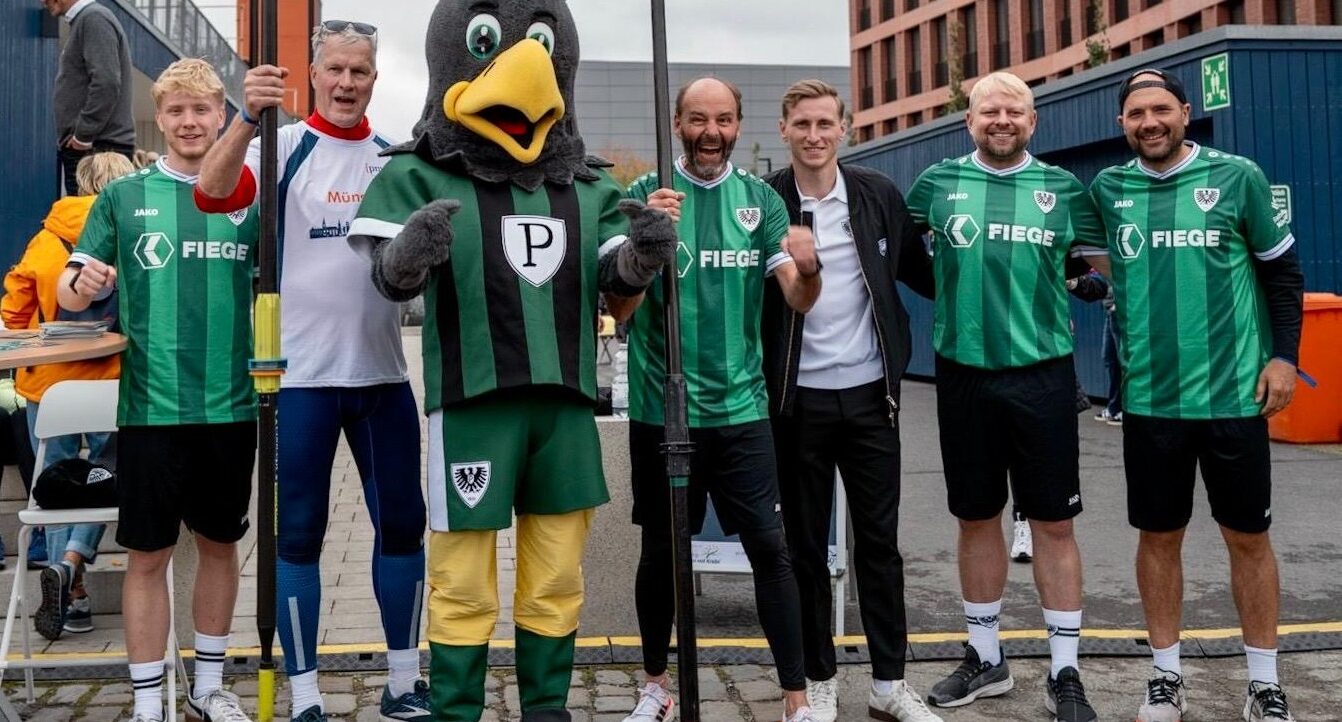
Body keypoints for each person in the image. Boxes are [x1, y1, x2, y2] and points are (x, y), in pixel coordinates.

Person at [348, 3, 677, 718]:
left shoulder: (588, 186)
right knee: (463, 576)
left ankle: (546, 705)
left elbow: (612, 276)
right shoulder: (419, 175)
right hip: (472, 404)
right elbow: (386, 279)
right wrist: (408, 253)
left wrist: (645, 256)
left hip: (564, 407)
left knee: (557, 575)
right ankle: (457, 706)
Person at [196, 20, 429, 722]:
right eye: (336, 70)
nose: (348, 83)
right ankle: (303, 694)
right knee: (297, 534)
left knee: (405, 528)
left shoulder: (396, 160)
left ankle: (401, 683)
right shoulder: (281, 148)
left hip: (382, 378)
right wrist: (245, 116)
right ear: (315, 74)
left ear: (375, 79)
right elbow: (210, 192)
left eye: (360, 71)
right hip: (298, 383)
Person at [1091, 68, 1304, 722]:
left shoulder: (1237, 176)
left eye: (1160, 109)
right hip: (1151, 402)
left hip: (1234, 396)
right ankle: (1164, 677)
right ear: (1123, 123)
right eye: (1136, 114)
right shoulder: (1108, 188)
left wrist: (1285, 358)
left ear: (1186, 112)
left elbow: (1283, 274)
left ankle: (1264, 682)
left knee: (1248, 539)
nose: (1149, 122)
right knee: (1160, 539)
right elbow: (1093, 268)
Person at [610, 76, 822, 722]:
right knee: (659, 555)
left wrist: (810, 267)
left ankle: (796, 700)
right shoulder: (643, 196)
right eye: (698, 119)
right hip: (660, 411)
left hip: (741, 413)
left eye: (723, 119)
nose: (711, 132)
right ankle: (654, 687)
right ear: (677, 123)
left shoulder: (761, 201)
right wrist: (647, 248)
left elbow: (796, 299)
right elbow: (618, 311)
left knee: (769, 547)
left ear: (738, 124)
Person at [57, 58, 259, 722]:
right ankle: (150, 704)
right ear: (161, 117)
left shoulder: (249, 195)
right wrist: (81, 286)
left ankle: (207, 686)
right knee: (148, 554)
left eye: (203, 109)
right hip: (149, 409)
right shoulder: (124, 197)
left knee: (220, 547)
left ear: (222, 113)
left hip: (229, 405)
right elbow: (69, 285)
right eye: (176, 110)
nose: (190, 121)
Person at [903, 71, 1107, 722]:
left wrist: (1079, 279)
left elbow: (1092, 262)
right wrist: (953, 298)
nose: (1001, 119)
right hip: (964, 371)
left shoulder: (1063, 189)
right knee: (976, 517)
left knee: (1053, 522)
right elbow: (900, 252)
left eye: (1014, 111)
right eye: (989, 110)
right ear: (969, 121)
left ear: (1032, 121)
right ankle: (985, 657)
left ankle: (1066, 672)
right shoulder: (935, 185)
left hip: (1042, 373)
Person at [759, 78, 940, 722]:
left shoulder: (877, 196)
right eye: (801, 124)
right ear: (783, 129)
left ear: (844, 129)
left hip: (870, 399)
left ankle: (890, 683)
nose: (814, 136)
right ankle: (819, 676)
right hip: (796, 402)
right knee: (804, 547)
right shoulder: (765, 201)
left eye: (825, 125)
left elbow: (929, 275)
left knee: (879, 545)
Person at [3, 151, 132, 641]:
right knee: (104, 476)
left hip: (47, 385)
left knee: (54, 483)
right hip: (108, 383)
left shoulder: (44, 238)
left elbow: (13, 310)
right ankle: (74, 564)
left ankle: (69, 593)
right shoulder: (125, 232)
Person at [41, 0, 135, 196]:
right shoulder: (88, 20)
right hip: (94, 146)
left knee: (91, 220)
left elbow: (106, 82)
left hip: (97, 150)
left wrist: (83, 135)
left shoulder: (93, 18)